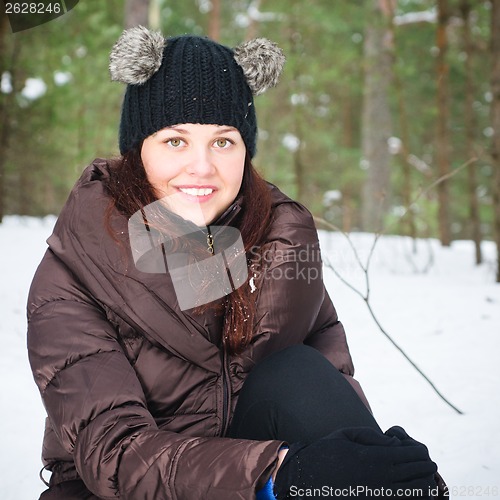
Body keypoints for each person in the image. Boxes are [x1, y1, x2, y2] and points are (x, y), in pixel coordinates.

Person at [27, 26, 446, 499]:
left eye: (223, 142)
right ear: (137, 151)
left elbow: (325, 390)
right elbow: (115, 454)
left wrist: (374, 469)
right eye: (175, 142)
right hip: (118, 489)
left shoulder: (278, 245)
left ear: (245, 150)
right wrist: (278, 474)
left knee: (300, 373)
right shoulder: (75, 272)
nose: (202, 167)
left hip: (252, 478)